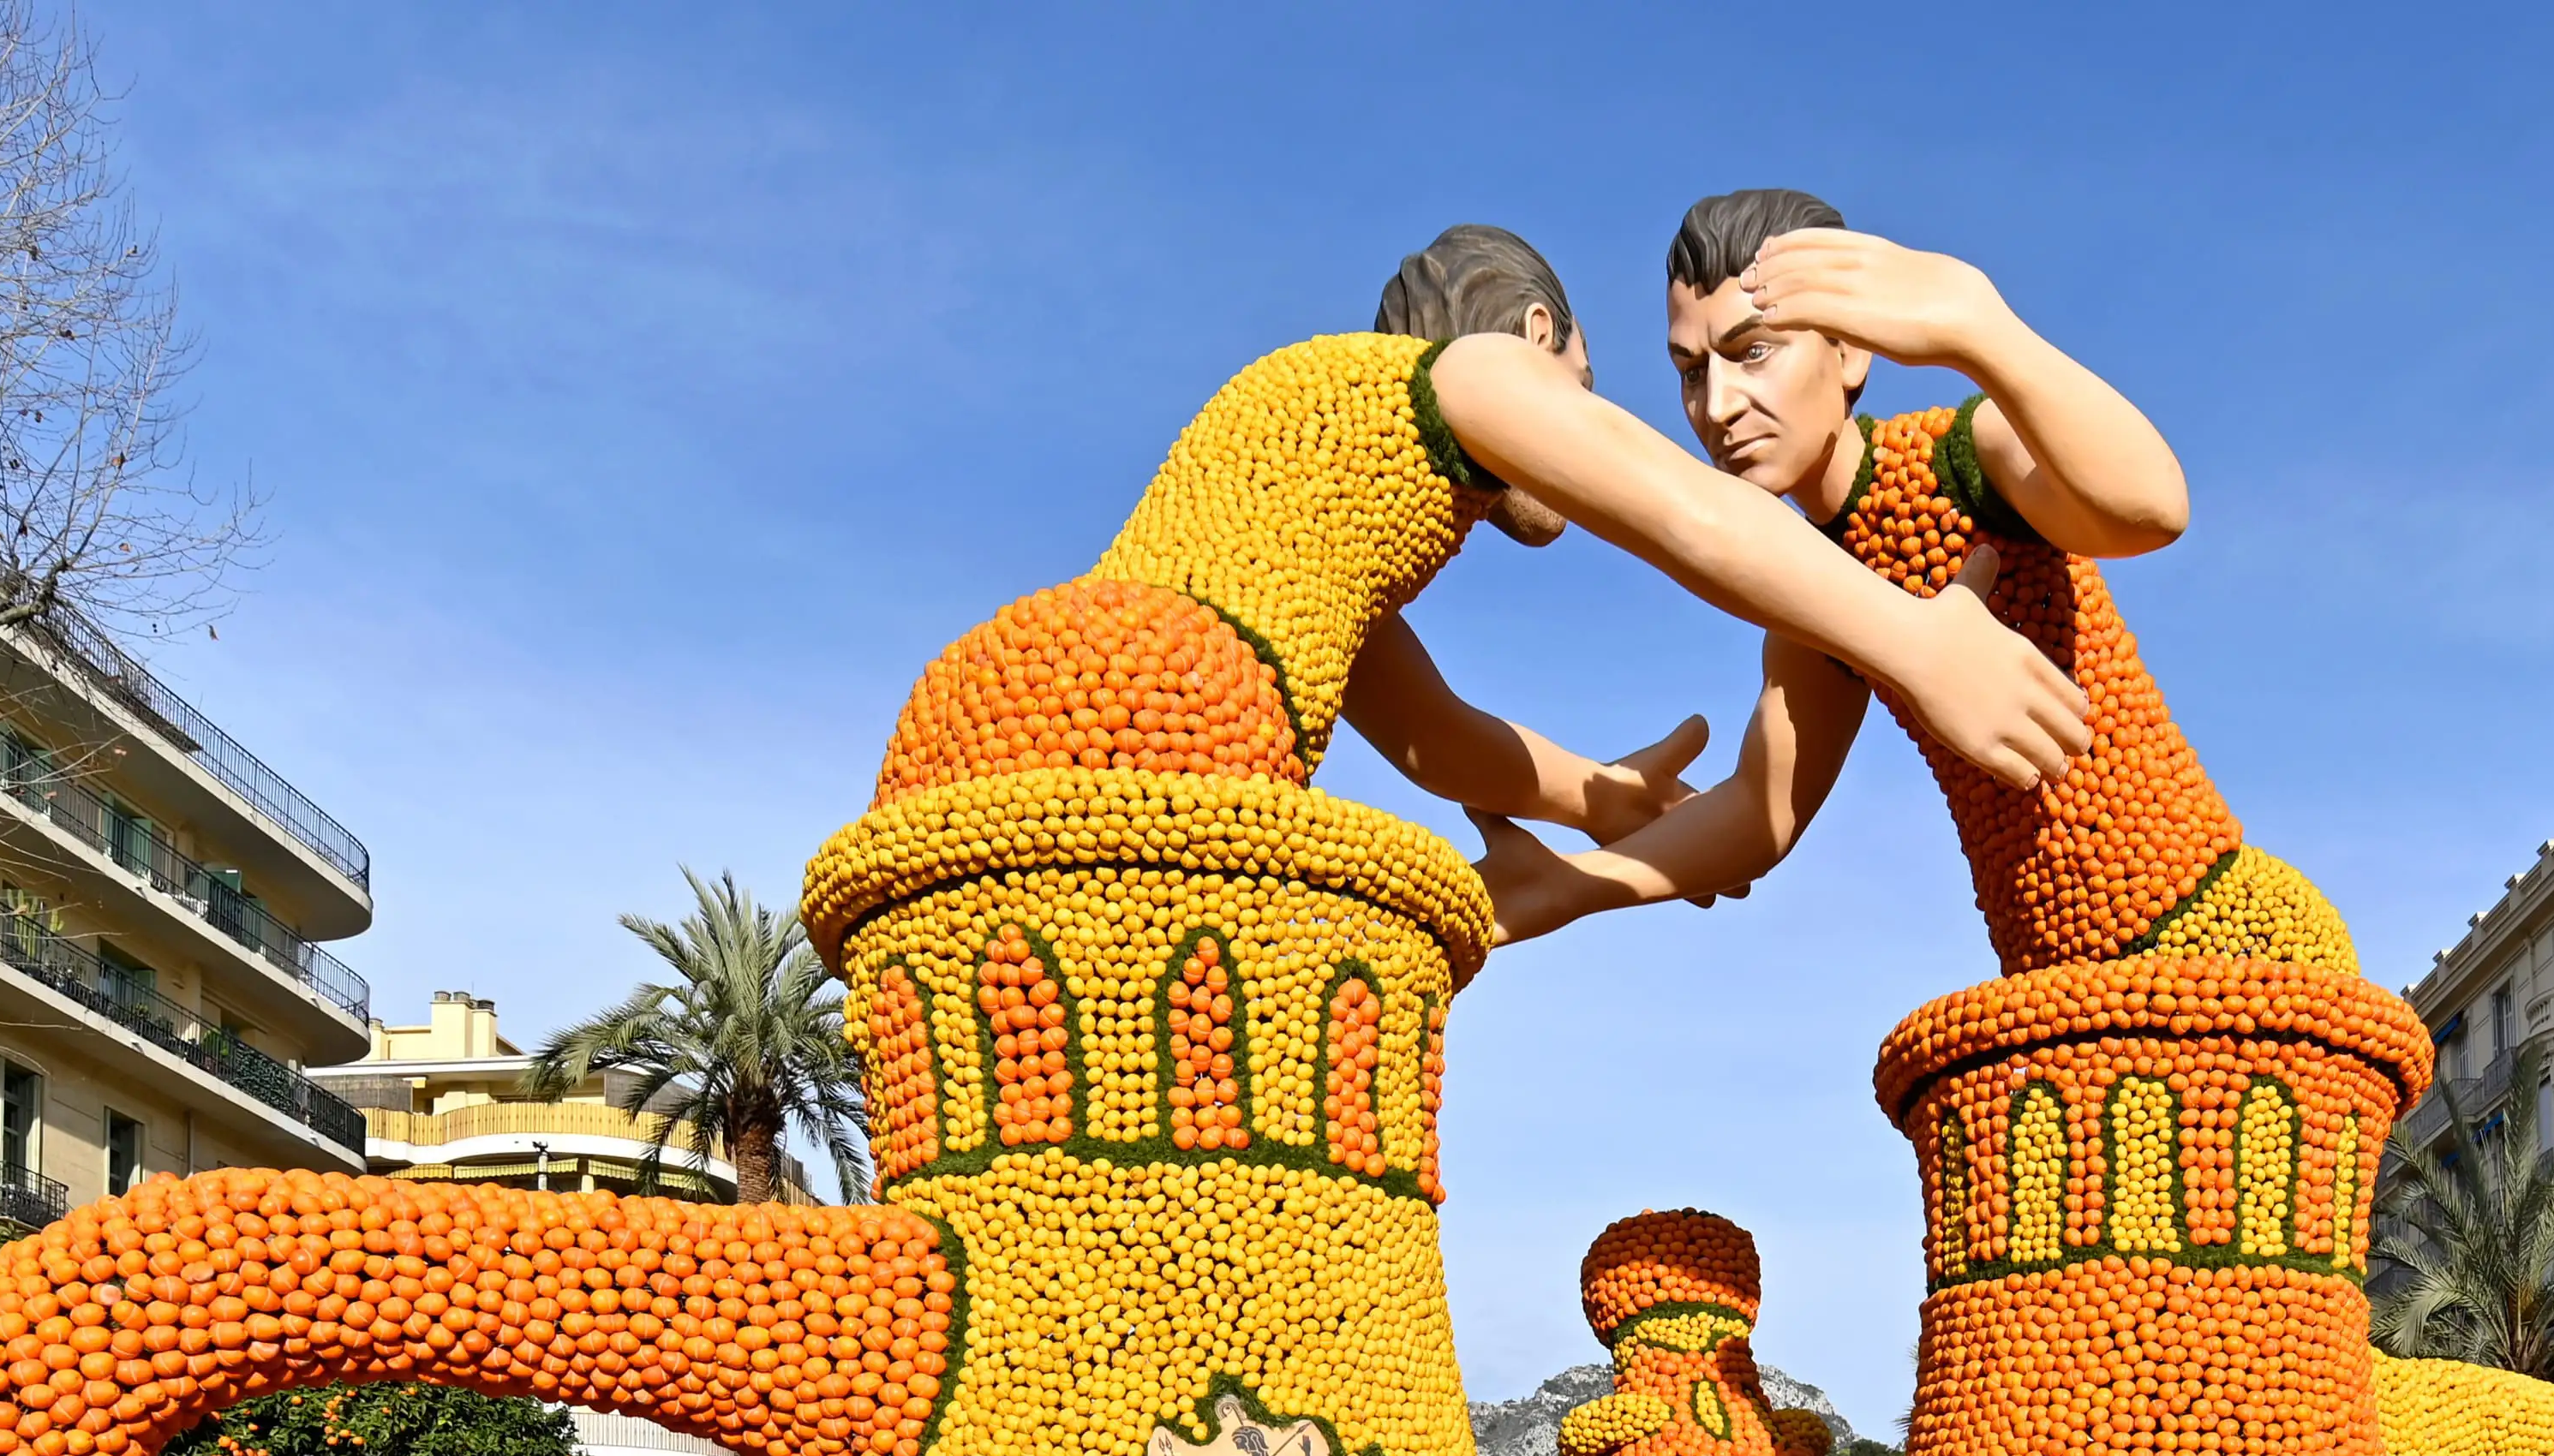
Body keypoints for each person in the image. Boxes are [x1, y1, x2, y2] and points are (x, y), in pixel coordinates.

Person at [890, 222, 2092, 866]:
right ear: (1538, 335)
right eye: (1588, 384)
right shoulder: (1476, 373)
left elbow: (1432, 737)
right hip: (1144, 710)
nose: (1582, 418)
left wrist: (1595, 797)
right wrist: (1914, 643)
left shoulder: (1312, 532)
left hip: (987, 711)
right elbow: (1689, 517)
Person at [1477, 192, 2354, 978]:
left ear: (1850, 353)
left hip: (2222, 943)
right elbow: (1759, 812)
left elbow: (2150, 507)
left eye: (1754, 352)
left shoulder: (1966, 459)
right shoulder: (1817, 593)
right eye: (1691, 371)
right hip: (2059, 992)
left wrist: (1980, 327)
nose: (1718, 405)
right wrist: (1572, 886)